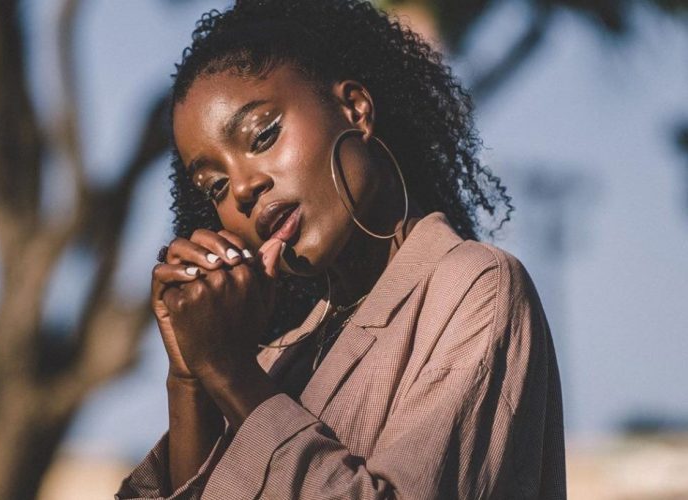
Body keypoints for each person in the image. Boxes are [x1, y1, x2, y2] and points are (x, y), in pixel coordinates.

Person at [116, 0, 566, 498]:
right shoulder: (281, 357)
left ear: (355, 109)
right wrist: (189, 380)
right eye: (215, 186)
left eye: (262, 135)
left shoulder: (475, 288)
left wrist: (231, 376)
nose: (241, 189)